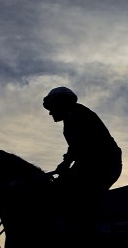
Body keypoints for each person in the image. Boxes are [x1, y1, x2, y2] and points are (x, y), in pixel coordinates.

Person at [42, 87, 122, 228]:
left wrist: (66, 165)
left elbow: (82, 146)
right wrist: (65, 164)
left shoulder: (76, 115)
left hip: (101, 166)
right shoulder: (73, 116)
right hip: (95, 164)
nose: (49, 113)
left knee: (69, 197)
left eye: (51, 107)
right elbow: (76, 147)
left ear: (60, 102)